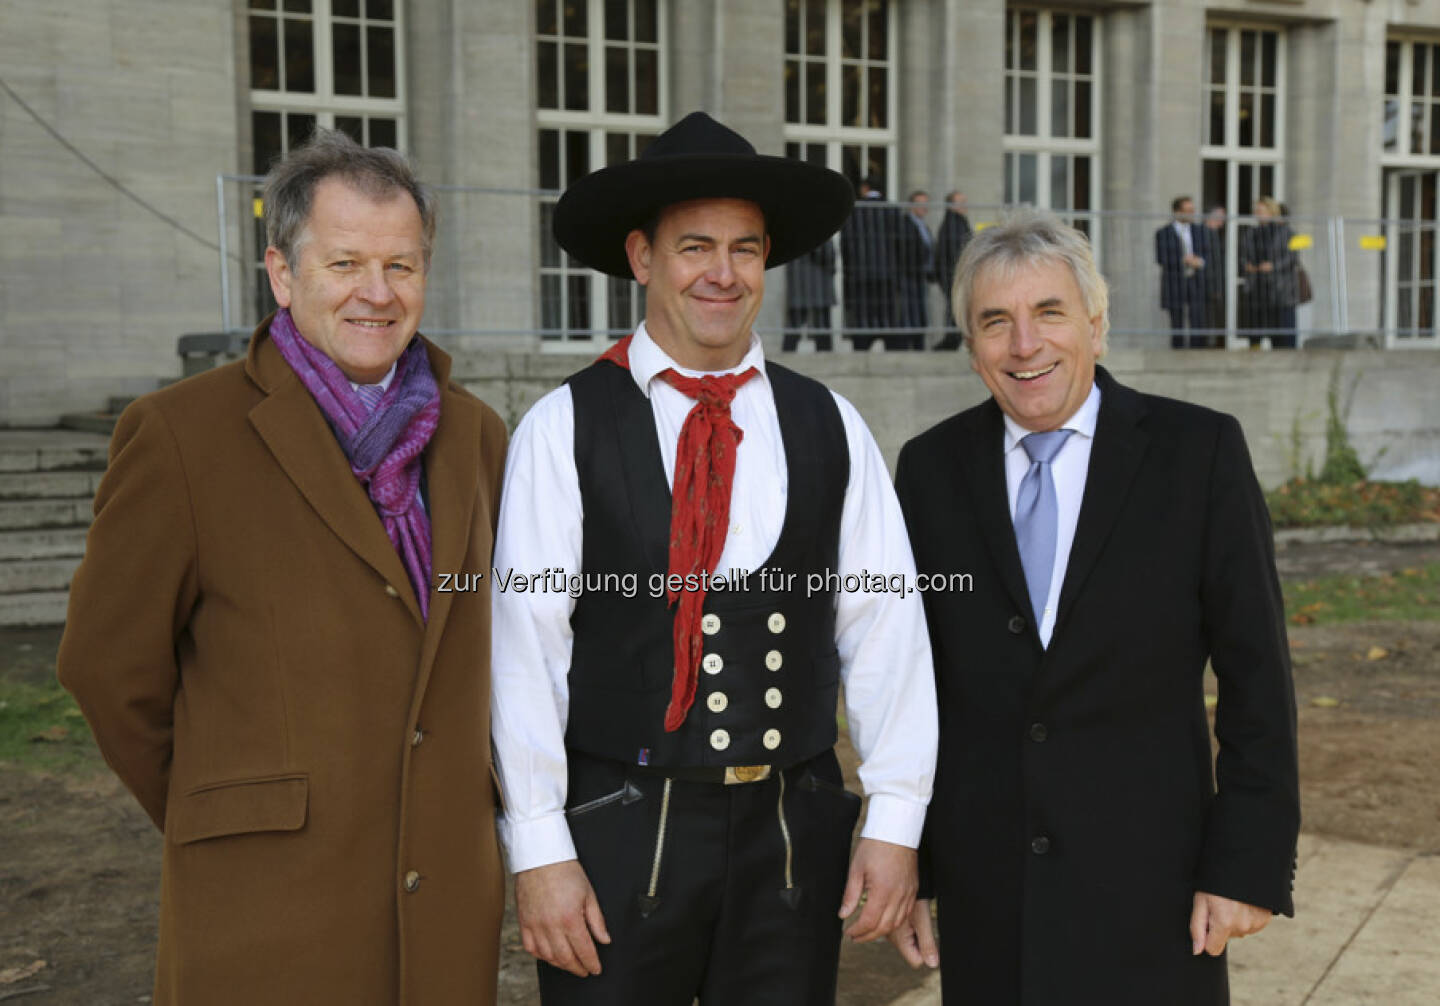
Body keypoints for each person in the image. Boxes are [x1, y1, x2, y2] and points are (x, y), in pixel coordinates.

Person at [491, 111, 938, 1006]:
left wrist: (894, 823)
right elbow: (524, 651)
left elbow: (887, 629)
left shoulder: (830, 425)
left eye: (744, 249)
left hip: (789, 833)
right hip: (619, 829)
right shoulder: (562, 428)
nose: (722, 274)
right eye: (695, 246)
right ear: (642, 256)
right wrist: (538, 850)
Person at [57, 130, 509, 1005]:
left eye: (402, 267)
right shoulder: (181, 436)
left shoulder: (476, 436)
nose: (377, 294)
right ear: (280, 272)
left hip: (446, 898)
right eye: (344, 263)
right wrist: (218, 811)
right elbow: (107, 670)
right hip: (263, 903)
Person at [891, 210, 1299, 1005]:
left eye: (1050, 313)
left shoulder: (1199, 453)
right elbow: (913, 683)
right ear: (972, 348)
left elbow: (1259, 678)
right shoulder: (930, 471)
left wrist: (1244, 865)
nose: (1025, 345)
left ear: (1097, 326)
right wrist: (915, 862)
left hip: (1158, 895)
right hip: (989, 900)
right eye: (995, 322)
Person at [840, 177, 899, 350]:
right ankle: (890, 344)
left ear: (865, 188)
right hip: (887, 272)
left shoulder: (856, 210)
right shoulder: (891, 210)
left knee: (863, 315)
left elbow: (848, 242)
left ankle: (862, 345)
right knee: (886, 314)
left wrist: (849, 266)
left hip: (862, 272)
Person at [1240, 196, 1299, 348]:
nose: (1257, 213)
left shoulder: (1286, 232)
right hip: (1257, 288)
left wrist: (1273, 266)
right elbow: (1243, 255)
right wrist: (1247, 265)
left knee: (1281, 331)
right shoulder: (1250, 233)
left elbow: (1292, 257)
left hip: (1279, 288)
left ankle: (1284, 357)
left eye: (1261, 210)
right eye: (1256, 211)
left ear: (1271, 212)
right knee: (1255, 329)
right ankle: (1254, 352)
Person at [1155, 195, 1211, 348]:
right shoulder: (1163, 233)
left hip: (1195, 279)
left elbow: (1208, 254)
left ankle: (1197, 348)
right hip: (1175, 280)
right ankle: (1178, 348)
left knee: (1197, 316)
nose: (1191, 214)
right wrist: (1183, 260)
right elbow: (1161, 258)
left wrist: (1198, 261)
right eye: (1188, 210)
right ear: (1177, 212)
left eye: (1192, 210)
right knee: (1177, 318)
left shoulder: (1200, 231)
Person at [893, 189, 934, 350]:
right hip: (908, 274)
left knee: (919, 309)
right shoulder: (905, 224)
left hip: (920, 275)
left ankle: (919, 343)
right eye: (920, 204)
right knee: (909, 311)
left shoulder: (923, 225)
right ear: (911, 206)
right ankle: (909, 344)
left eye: (926, 204)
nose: (924, 207)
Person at [932, 191, 973, 350]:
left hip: (954, 274)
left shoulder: (956, 222)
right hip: (953, 275)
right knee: (956, 309)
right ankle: (949, 342)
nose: (964, 205)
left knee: (956, 309)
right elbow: (957, 251)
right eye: (960, 201)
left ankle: (951, 340)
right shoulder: (953, 224)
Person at [782, 238, 837, 351]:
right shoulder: (818, 224)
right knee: (821, 325)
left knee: (794, 324)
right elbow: (826, 253)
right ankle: (825, 358)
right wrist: (832, 266)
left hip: (798, 278)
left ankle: (785, 358)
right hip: (818, 280)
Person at [1203, 205, 1229, 342]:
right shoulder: (1203, 233)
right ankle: (1208, 342)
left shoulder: (1216, 235)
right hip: (1206, 284)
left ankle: (1212, 341)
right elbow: (1212, 264)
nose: (1223, 221)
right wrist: (1215, 287)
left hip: (1215, 283)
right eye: (1220, 217)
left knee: (1212, 315)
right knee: (1207, 316)